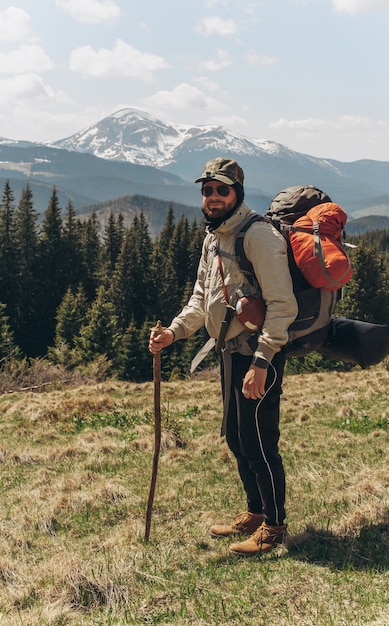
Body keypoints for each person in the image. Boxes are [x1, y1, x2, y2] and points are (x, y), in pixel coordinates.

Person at [148, 157, 298, 556]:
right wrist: (173, 333)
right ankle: (255, 511)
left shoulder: (258, 236)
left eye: (221, 190)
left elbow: (283, 306)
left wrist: (263, 362)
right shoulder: (214, 237)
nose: (212, 197)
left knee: (260, 441)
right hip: (231, 352)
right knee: (236, 437)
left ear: (238, 193)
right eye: (207, 190)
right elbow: (202, 299)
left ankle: (275, 527)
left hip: (257, 355)